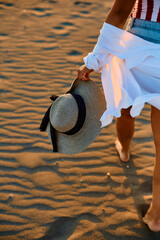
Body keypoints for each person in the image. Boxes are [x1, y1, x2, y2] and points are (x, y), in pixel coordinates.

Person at [77, 0, 160, 232]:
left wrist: (93, 61)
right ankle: (155, 216)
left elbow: (120, 12)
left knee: (125, 108)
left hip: (138, 43)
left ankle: (124, 150)